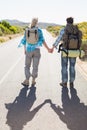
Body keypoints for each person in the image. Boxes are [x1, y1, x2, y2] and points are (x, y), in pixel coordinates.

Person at [19, 18, 52, 86]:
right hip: (37, 50)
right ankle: (33, 80)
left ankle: (27, 80)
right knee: (35, 66)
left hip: (28, 50)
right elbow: (43, 41)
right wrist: (48, 49)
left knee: (27, 66)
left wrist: (24, 49)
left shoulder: (27, 30)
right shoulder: (39, 30)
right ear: (37, 23)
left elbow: (24, 41)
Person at [51, 17, 81, 88]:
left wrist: (53, 47)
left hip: (65, 51)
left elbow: (58, 39)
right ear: (73, 22)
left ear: (66, 22)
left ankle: (64, 82)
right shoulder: (77, 30)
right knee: (72, 67)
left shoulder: (63, 29)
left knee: (64, 67)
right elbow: (80, 40)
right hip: (74, 51)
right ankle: (71, 82)